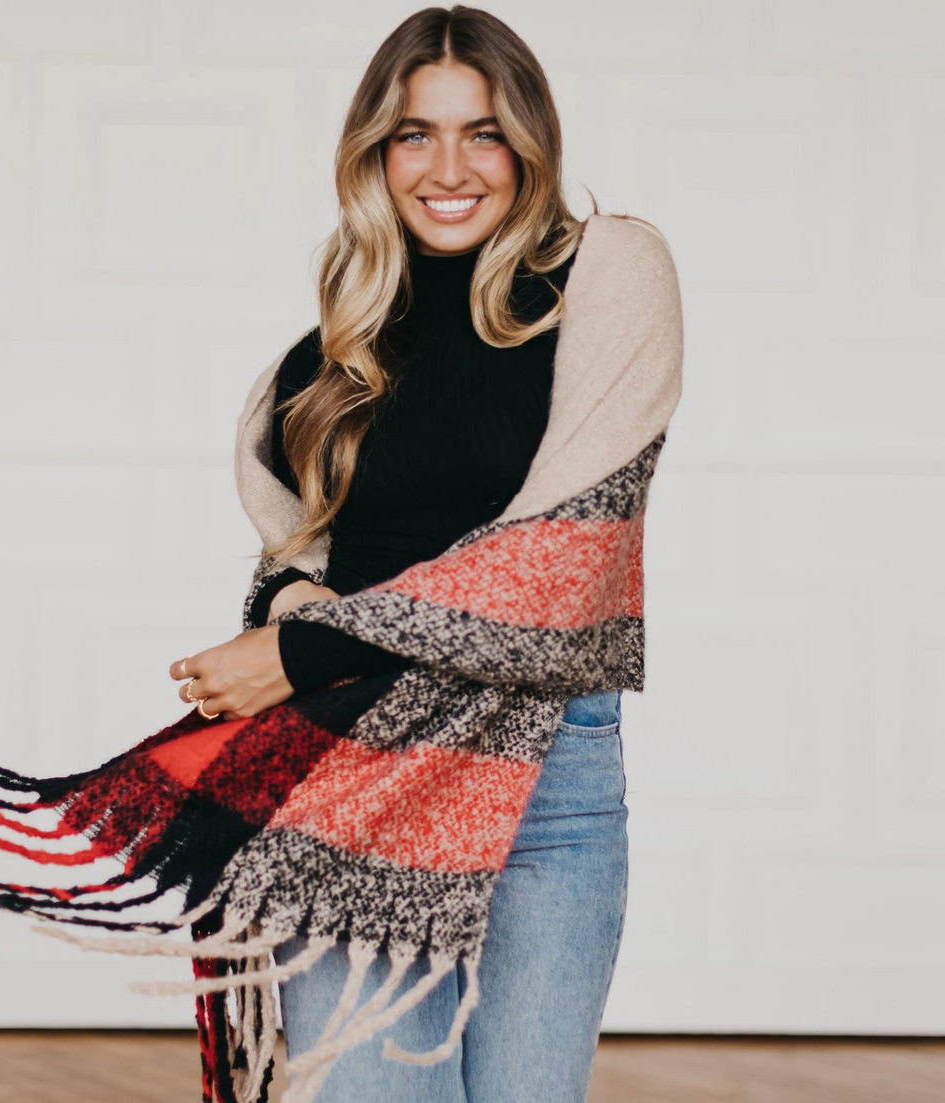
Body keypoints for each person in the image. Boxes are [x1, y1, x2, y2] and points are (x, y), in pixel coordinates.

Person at [166, 6, 682, 1102]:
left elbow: (563, 561)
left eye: (483, 132)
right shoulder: (324, 352)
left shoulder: (607, 274)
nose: (449, 167)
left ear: (530, 145)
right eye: (413, 134)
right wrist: (288, 621)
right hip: (357, 771)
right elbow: (293, 561)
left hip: (548, 777)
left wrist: (304, 649)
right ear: (371, 153)